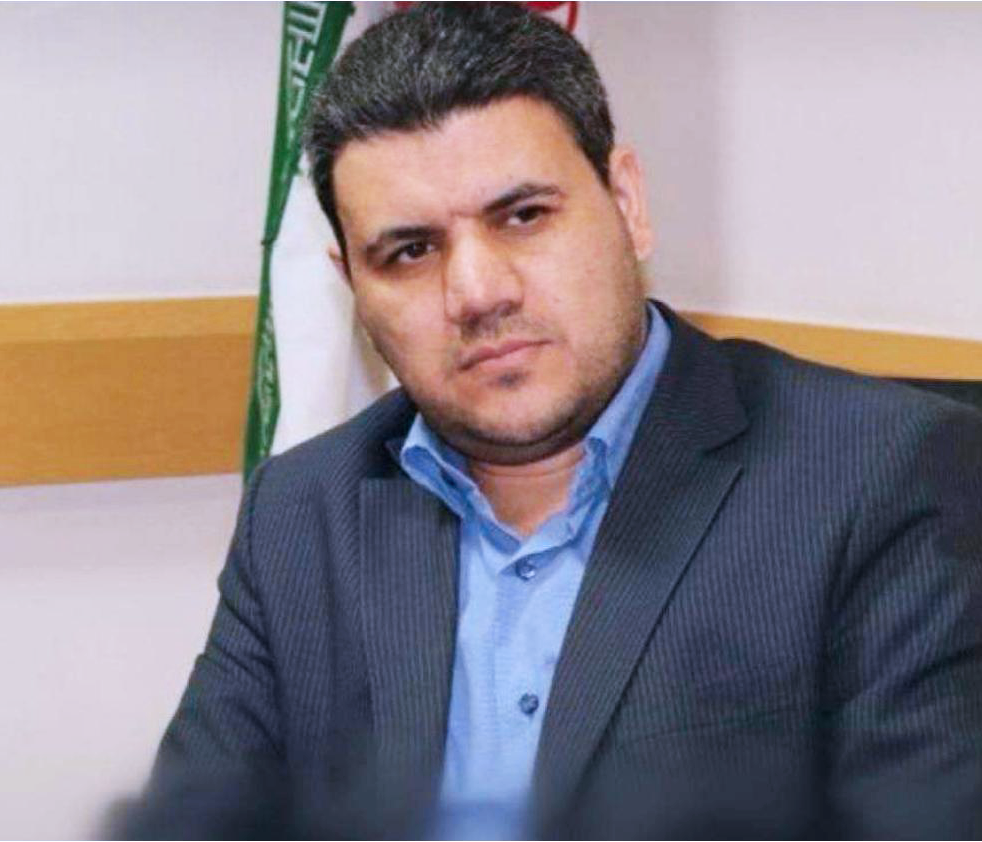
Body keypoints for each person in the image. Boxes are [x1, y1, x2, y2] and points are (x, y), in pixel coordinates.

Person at [124, 4, 982, 838]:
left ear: (627, 203)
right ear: (353, 284)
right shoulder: (303, 513)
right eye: (411, 251)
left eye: (524, 216)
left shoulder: (880, 475)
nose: (477, 292)